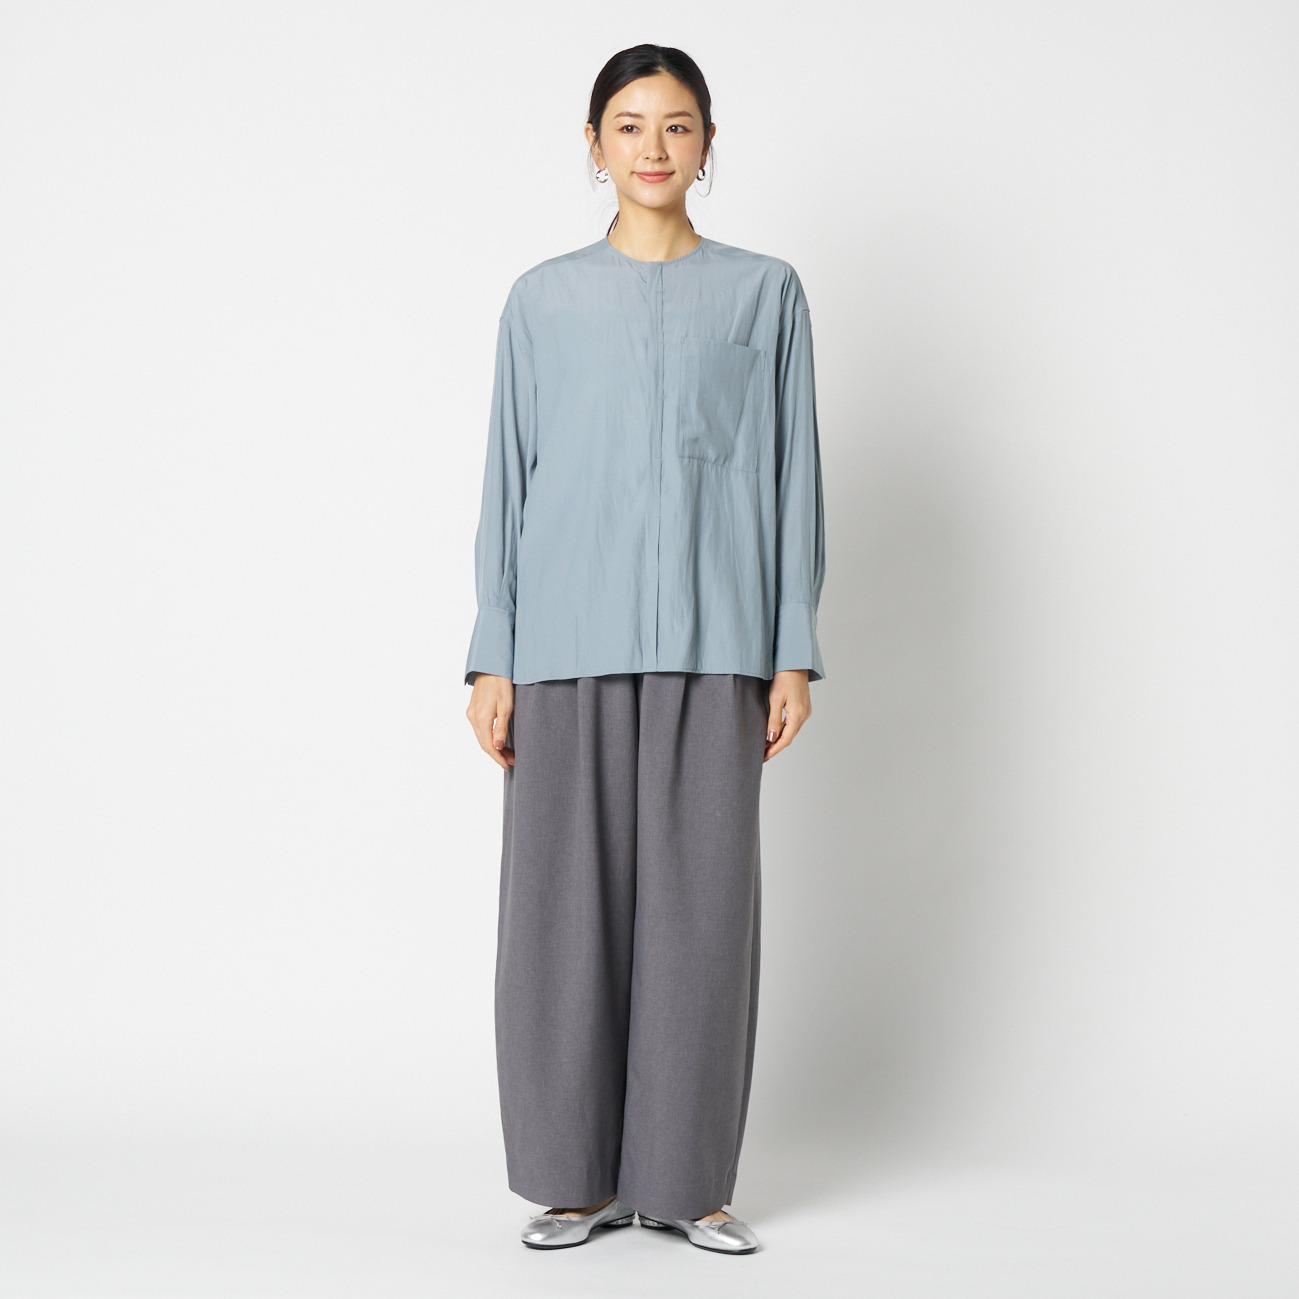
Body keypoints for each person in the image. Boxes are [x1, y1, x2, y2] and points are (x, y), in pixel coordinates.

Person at [463, 43, 827, 1257]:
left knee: (700, 918)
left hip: (715, 642)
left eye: (676, 125)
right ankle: (573, 1178)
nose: (653, 147)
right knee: (559, 920)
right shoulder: (541, 300)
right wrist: (494, 653)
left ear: (708, 144)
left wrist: (791, 649)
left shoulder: (765, 295)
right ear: (594, 144)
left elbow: (792, 478)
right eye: (629, 125)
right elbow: (508, 484)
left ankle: (683, 1182)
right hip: (562, 647)